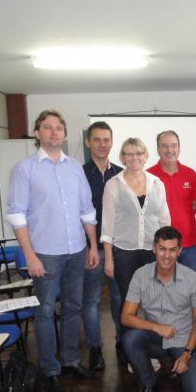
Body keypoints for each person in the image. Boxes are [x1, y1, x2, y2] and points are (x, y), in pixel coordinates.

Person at [7, 109, 99, 392]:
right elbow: (17, 216)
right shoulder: (25, 169)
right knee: (45, 312)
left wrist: (93, 245)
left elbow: (87, 210)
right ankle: (50, 370)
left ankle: (71, 360)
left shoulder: (74, 168)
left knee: (73, 307)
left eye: (59, 127)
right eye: (47, 127)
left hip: (76, 250)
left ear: (65, 133)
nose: (54, 132)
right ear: (37, 133)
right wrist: (29, 256)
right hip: (44, 254)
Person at [121, 226, 196, 392]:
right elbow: (126, 317)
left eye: (172, 250)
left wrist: (187, 354)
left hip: (183, 340)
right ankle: (149, 382)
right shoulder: (141, 275)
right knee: (129, 339)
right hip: (155, 339)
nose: (166, 256)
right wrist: (155, 327)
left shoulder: (192, 279)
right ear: (154, 248)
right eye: (162, 249)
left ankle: (182, 364)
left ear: (179, 251)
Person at [101, 137, 170, 345]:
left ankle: (153, 347)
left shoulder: (157, 183)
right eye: (129, 153)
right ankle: (128, 348)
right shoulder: (113, 185)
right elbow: (107, 224)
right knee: (128, 303)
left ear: (146, 156)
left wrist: (166, 253)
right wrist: (109, 259)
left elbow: (164, 221)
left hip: (152, 253)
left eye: (138, 153)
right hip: (124, 253)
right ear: (122, 157)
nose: (134, 157)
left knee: (153, 302)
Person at [82, 121, 123, 370]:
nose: (101, 144)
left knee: (119, 296)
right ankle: (95, 347)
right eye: (96, 139)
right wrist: (89, 245)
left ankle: (121, 341)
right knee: (91, 300)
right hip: (92, 248)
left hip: (118, 248)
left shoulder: (120, 173)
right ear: (88, 142)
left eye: (106, 139)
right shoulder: (79, 173)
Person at [147, 130, 196, 275]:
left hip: (189, 244)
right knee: (162, 291)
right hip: (161, 247)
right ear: (158, 149)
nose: (169, 150)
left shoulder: (190, 174)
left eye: (173, 145)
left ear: (179, 148)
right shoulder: (148, 176)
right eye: (164, 146)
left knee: (192, 291)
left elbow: (195, 205)